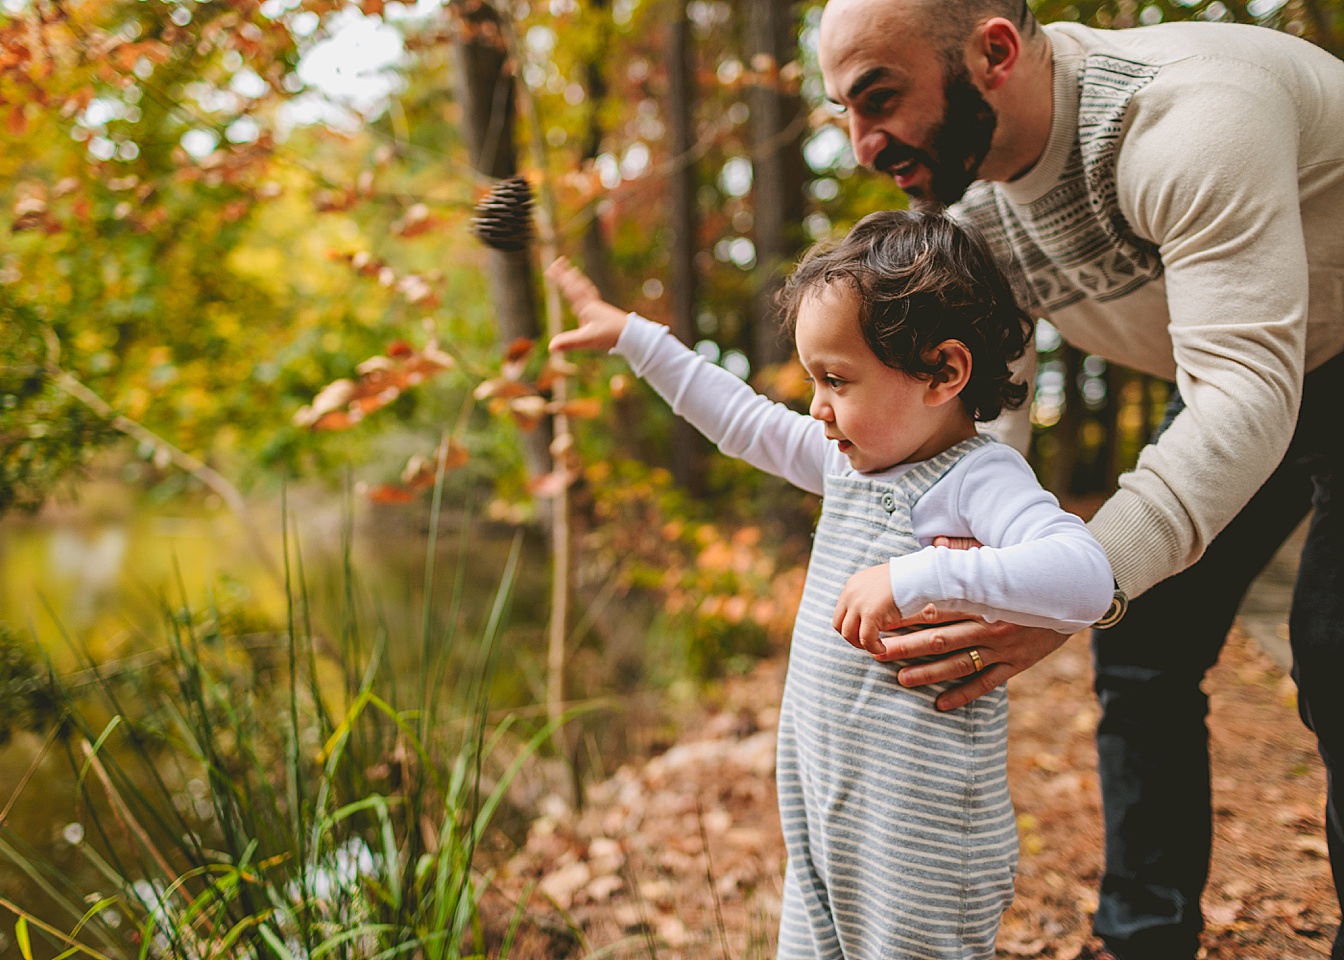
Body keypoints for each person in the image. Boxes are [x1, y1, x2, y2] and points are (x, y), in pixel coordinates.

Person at [814, 1, 1344, 957]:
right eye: (843, 115)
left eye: (879, 98)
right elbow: (981, 406)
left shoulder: (1189, 116)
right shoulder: (967, 206)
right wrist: (983, 555)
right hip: (1245, 366)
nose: (862, 144)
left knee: (1337, 651)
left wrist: (1078, 575)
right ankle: (1145, 939)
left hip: (1272, 365)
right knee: (1142, 643)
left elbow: (1246, 392)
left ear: (996, 52)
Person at [546, 210, 1115, 960]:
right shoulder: (850, 463)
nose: (816, 406)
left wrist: (921, 573)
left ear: (942, 372)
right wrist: (634, 337)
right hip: (825, 800)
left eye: (836, 380)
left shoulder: (980, 477)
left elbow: (1086, 575)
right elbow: (742, 420)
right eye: (814, 379)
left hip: (920, 831)